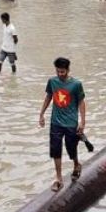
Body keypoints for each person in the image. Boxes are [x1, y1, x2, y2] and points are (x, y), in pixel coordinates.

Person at [38, 57, 86, 192]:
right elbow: (48, 97)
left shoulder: (76, 84)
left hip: (71, 122)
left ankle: (76, 164)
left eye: (63, 72)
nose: (60, 74)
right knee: (56, 149)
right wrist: (41, 114)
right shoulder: (52, 82)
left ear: (68, 70)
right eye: (58, 72)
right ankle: (58, 178)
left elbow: (81, 102)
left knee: (71, 148)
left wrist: (82, 122)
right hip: (56, 122)